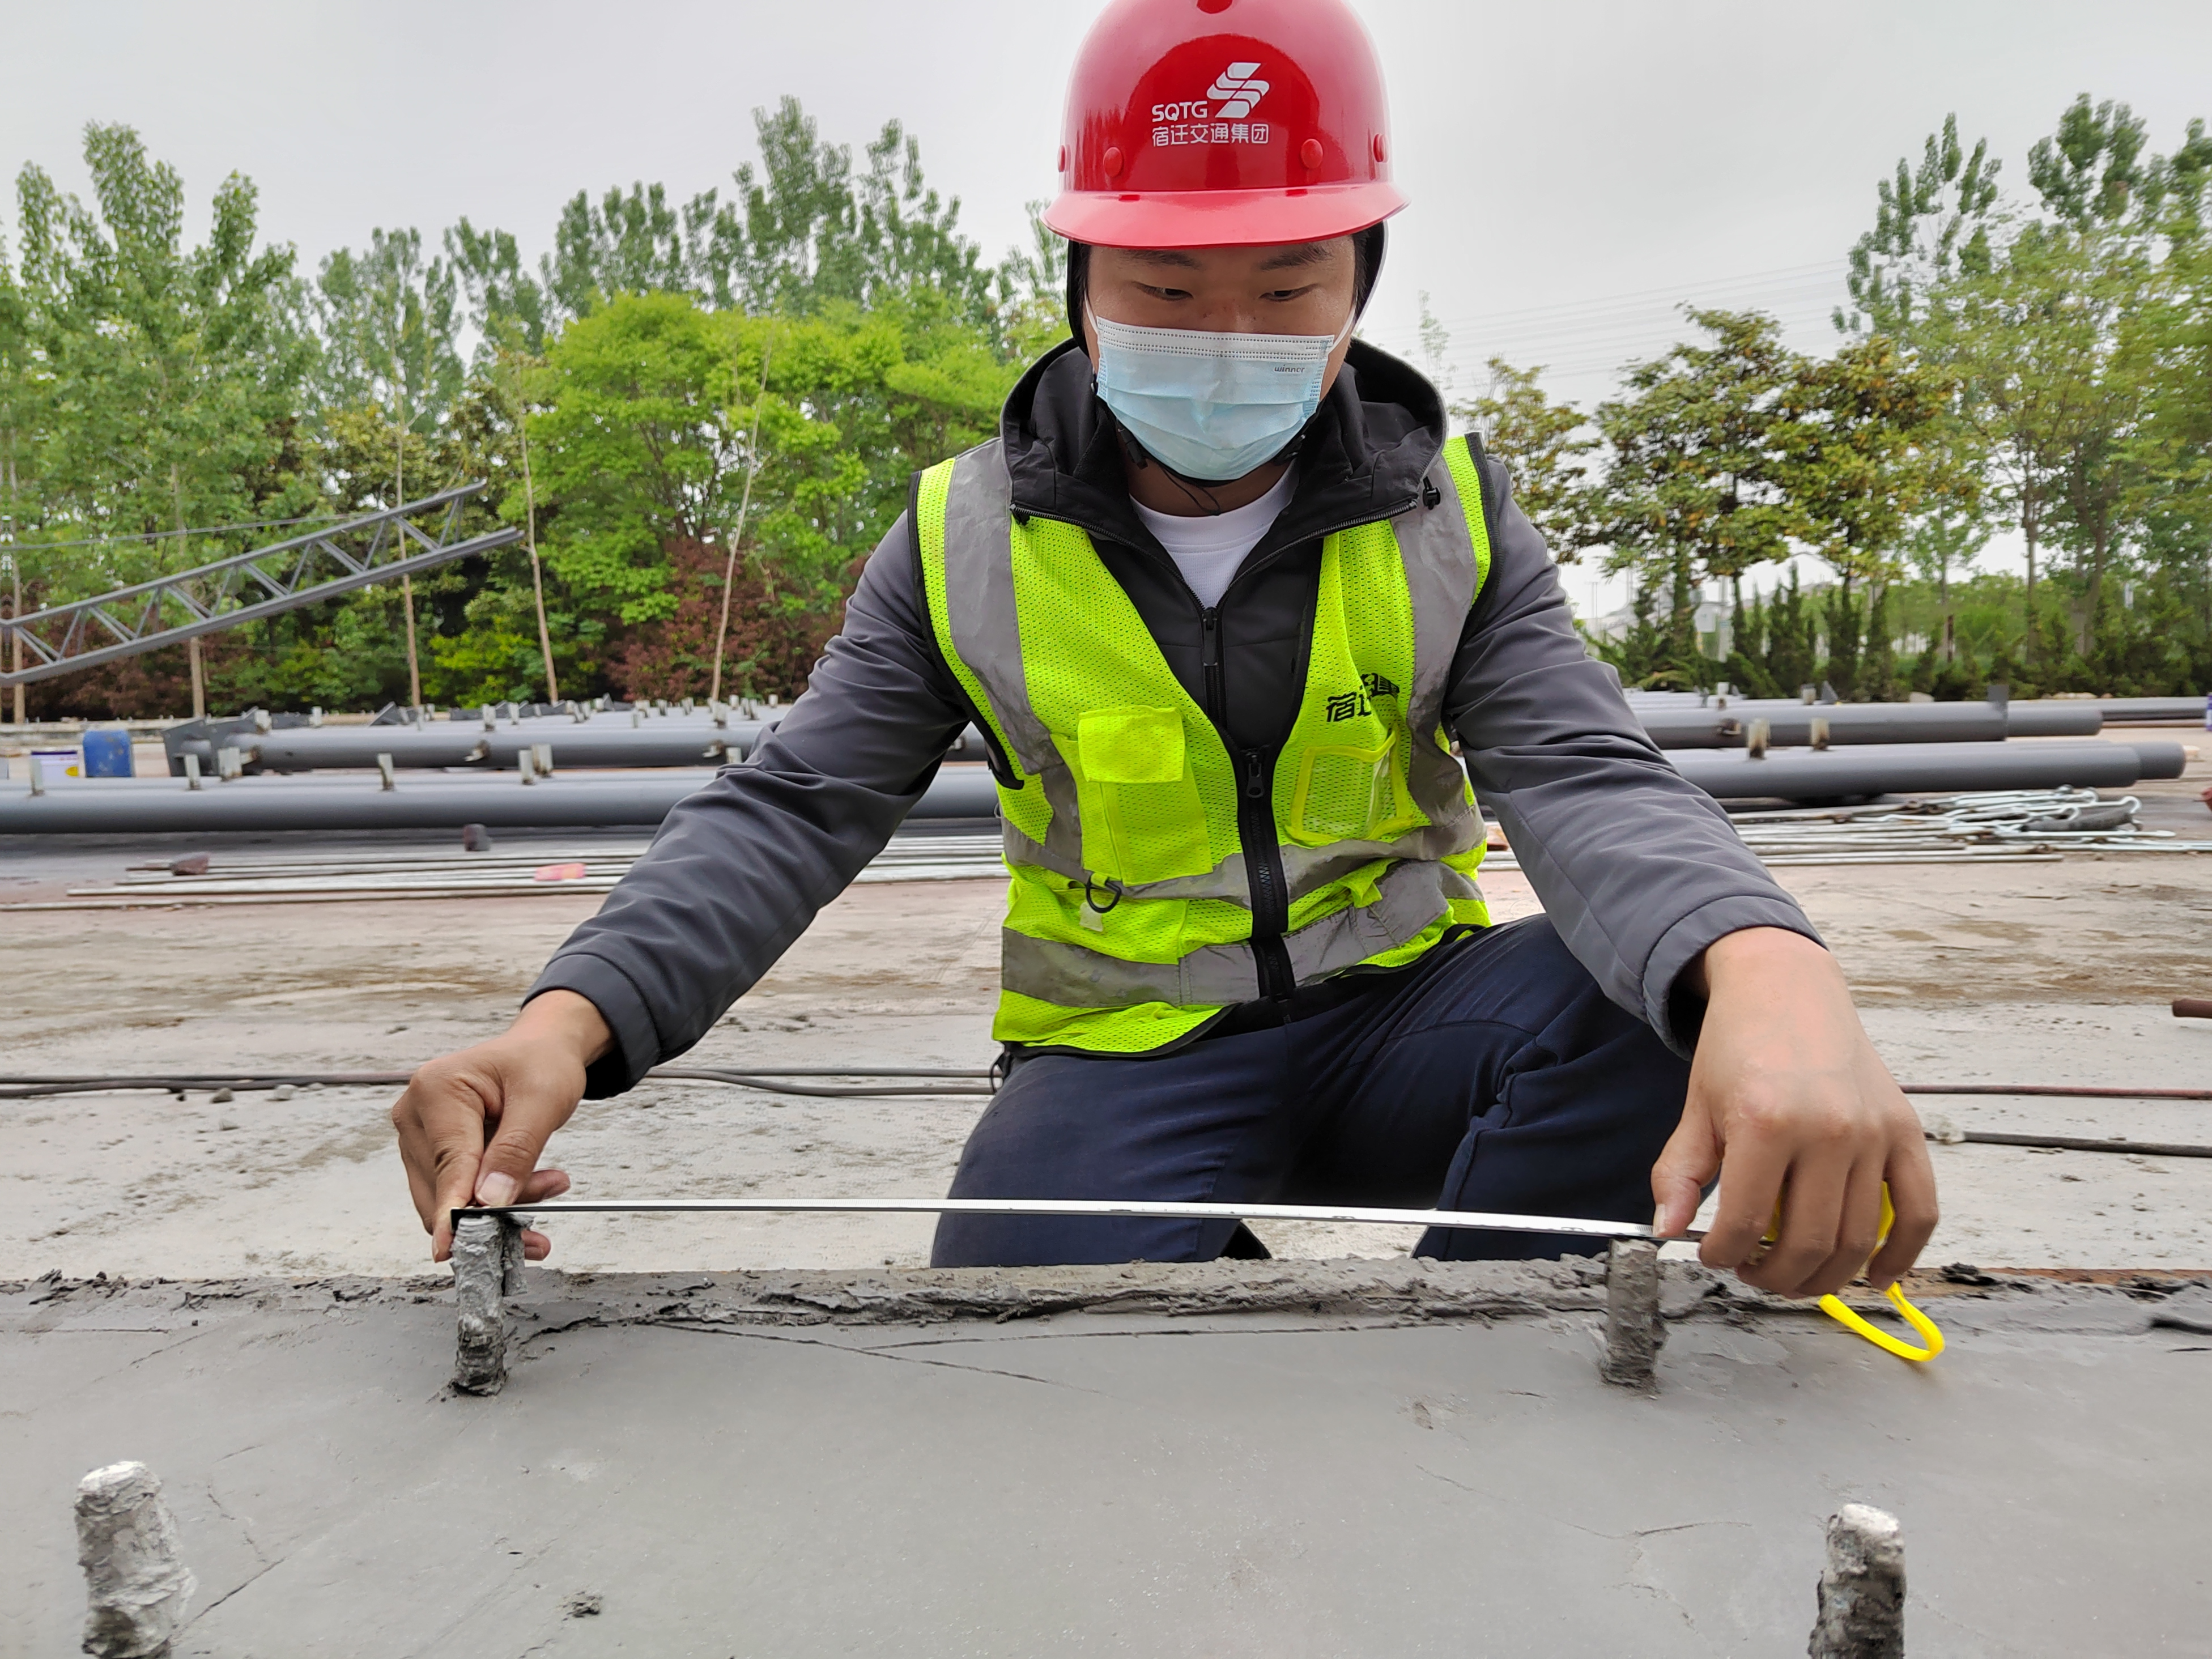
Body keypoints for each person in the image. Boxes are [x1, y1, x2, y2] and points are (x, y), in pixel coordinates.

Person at [393, 0, 1935, 1298]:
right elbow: (796, 808)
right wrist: (567, 1022)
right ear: (1083, 288)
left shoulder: (1449, 512)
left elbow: (1584, 772)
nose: (1226, 337)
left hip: (1405, 1016)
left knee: (1659, 1018)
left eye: (1286, 287)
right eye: (1167, 289)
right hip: (1123, 1059)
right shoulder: (959, 539)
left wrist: (1770, 969)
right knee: (1029, 1328)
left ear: (1356, 292)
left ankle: (1474, 1366)